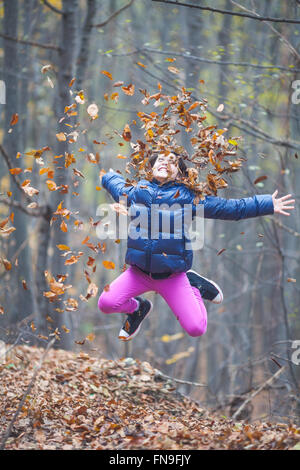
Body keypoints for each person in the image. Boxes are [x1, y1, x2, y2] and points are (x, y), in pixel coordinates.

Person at [98, 152, 295, 341]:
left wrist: (267, 203)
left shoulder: (188, 198)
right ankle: (138, 309)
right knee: (106, 304)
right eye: (160, 159)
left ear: (180, 172)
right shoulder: (136, 192)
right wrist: (107, 176)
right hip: (138, 273)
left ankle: (195, 286)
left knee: (196, 328)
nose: (165, 163)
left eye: (172, 161)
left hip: (171, 277)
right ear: (151, 167)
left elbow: (231, 209)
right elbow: (117, 186)